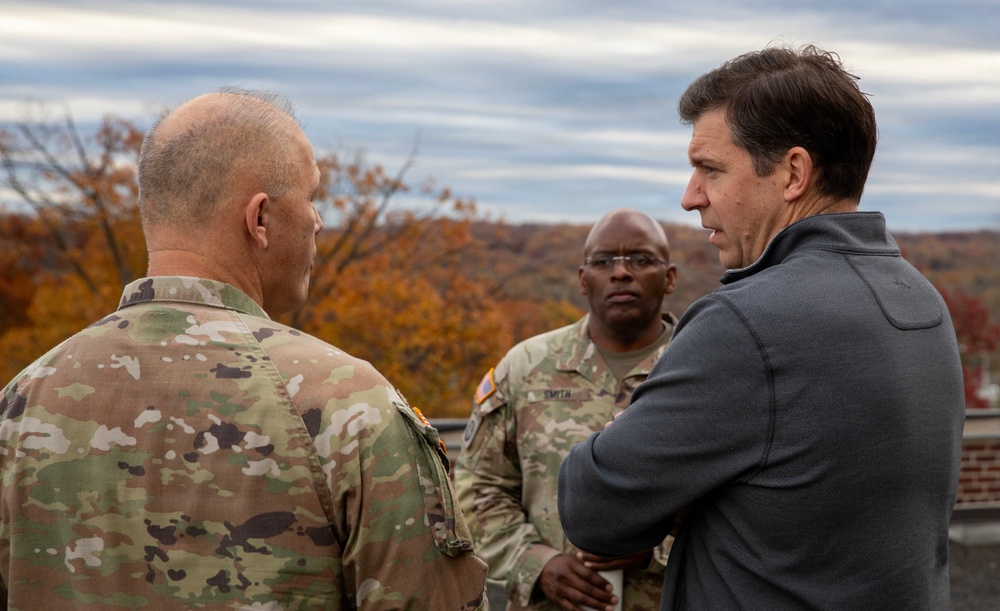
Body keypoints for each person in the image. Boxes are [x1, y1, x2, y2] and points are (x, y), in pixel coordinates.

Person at [0, 88, 489, 610]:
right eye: (311, 197)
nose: (318, 220)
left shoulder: (20, 402)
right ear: (259, 220)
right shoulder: (347, 405)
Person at [557, 45, 966, 610]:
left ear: (794, 172)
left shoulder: (746, 324)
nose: (690, 196)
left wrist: (639, 441)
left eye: (711, 169)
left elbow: (592, 509)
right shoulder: (921, 301)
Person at [455, 208, 679, 611]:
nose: (621, 272)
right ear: (582, 279)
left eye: (642, 260)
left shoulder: (703, 370)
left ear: (670, 278)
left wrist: (653, 552)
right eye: (604, 261)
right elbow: (476, 488)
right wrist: (535, 564)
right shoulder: (525, 368)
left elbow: (743, 504)